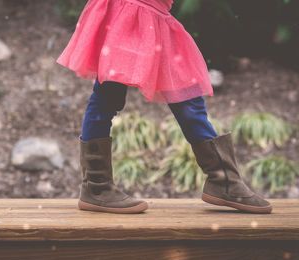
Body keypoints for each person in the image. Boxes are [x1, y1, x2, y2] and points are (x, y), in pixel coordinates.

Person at [56, 0, 272, 214]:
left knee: (186, 96)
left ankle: (223, 181)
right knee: (107, 96)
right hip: (129, 13)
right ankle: (96, 187)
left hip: (152, 15)